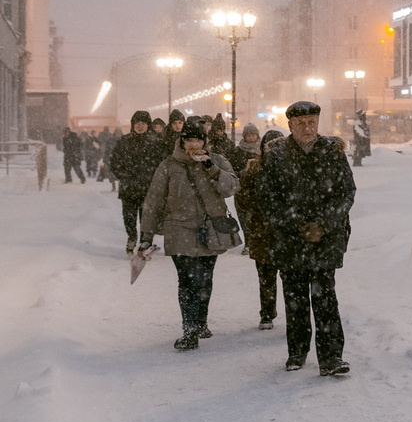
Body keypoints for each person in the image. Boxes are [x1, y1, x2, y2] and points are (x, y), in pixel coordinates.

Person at [257, 99, 356, 377]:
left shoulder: (332, 151)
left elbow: (346, 192)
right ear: (290, 125)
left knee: (325, 297)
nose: (307, 127)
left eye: (311, 122)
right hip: (290, 239)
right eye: (300, 123)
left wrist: (323, 224)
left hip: (326, 238)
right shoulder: (276, 155)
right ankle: (297, 352)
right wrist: (298, 225)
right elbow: (267, 197)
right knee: (295, 298)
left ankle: (331, 357)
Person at [140, 116, 239, 351]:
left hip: (210, 229)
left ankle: (201, 322)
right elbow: (153, 201)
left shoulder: (217, 161)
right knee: (187, 280)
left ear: (205, 141)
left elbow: (232, 187)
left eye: (197, 140)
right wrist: (146, 236)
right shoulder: (169, 165)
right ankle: (189, 331)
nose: (193, 145)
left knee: (205, 277)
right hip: (179, 228)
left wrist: (210, 168)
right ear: (181, 142)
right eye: (189, 140)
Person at [235, 129, 285, 330]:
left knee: (291, 279)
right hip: (262, 232)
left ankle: (293, 314)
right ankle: (267, 313)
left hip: (285, 232)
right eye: (270, 143)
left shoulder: (292, 169)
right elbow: (242, 199)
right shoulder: (254, 169)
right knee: (266, 276)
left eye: (277, 143)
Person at [108, 111, 169, 254]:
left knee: (147, 217)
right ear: (132, 125)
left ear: (148, 125)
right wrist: (123, 175)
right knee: (128, 216)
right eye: (137, 123)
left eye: (143, 123)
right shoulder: (124, 141)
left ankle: (145, 242)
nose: (140, 126)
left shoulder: (156, 143)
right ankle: (131, 237)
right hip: (129, 187)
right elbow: (114, 161)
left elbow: (162, 164)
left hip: (148, 188)